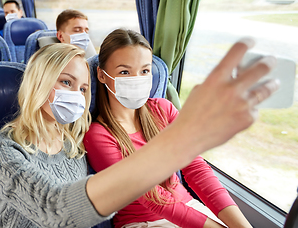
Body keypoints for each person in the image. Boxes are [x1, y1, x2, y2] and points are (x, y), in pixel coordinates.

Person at [0, 35, 279, 228]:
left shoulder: (73, 146)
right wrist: (184, 139)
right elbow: (55, 210)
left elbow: (195, 171)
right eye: (65, 82)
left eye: (83, 89)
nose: (77, 96)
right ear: (38, 83)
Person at [84, 29, 254, 228]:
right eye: (124, 72)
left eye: (144, 71)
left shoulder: (163, 109)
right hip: (145, 222)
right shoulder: (98, 135)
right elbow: (152, 198)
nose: (136, 78)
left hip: (190, 208)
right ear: (102, 76)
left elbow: (196, 169)